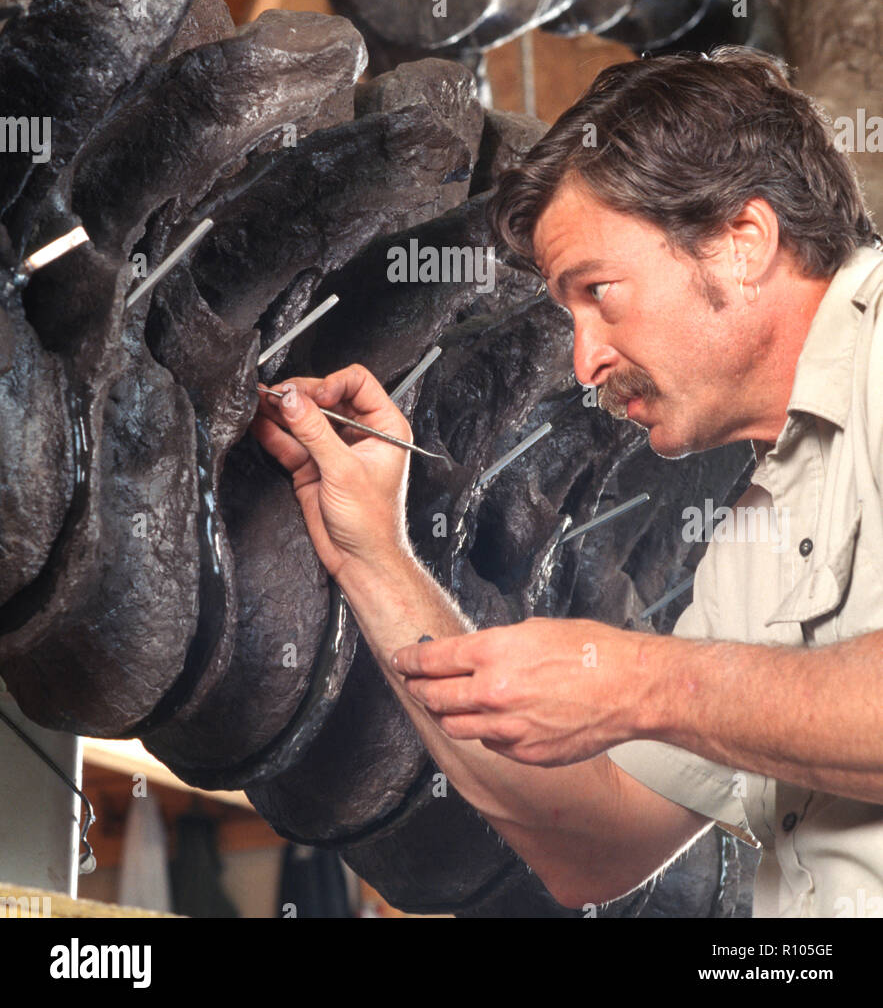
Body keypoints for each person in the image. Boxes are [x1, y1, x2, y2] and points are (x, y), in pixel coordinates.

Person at [252, 46, 883, 918]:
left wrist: (637, 683)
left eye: (600, 291)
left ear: (743, 242)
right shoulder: (756, 529)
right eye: (566, 310)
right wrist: (375, 557)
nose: (584, 362)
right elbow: (594, 847)